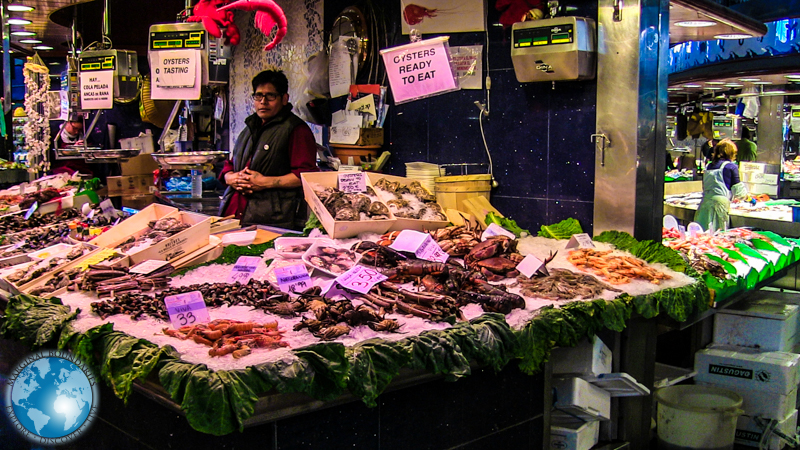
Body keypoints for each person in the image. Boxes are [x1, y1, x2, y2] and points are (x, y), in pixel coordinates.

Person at [219, 70, 318, 228]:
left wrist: (265, 182)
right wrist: (230, 177)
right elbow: (233, 162)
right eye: (258, 96)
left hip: (270, 220)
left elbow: (306, 176)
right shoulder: (250, 127)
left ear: (284, 99)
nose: (263, 101)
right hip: (234, 216)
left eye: (270, 96)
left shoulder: (296, 130)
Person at [694, 139, 752, 232]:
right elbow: (738, 191)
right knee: (717, 235)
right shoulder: (731, 166)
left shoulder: (709, 166)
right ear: (731, 153)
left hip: (705, 204)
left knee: (703, 235)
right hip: (719, 206)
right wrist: (749, 198)